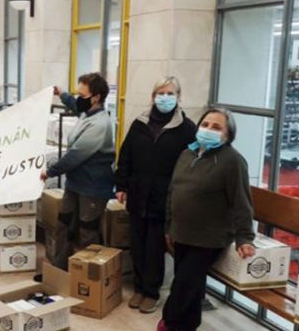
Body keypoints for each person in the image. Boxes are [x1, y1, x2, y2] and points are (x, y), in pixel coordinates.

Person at [158, 108, 256, 331]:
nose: (209, 130)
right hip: (182, 232)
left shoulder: (232, 161)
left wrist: (245, 237)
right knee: (189, 282)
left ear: (227, 135)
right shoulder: (187, 154)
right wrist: (169, 226)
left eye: (217, 127)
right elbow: (173, 191)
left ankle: (172, 322)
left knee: (184, 282)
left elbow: (241, 201)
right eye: (206, 124)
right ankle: (189, 328)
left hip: (210, 237)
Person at [115, 76, 196, 314]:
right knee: (137, 243)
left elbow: (190, 165)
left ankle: (151, 292)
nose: (165, 98)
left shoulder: (187, 129)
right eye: (161, 93)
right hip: (138, 194)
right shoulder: (139, 124)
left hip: (165, 198)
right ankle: (139, 288)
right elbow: (126, 154)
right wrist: (121, 185)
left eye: (170, 93)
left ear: (179, 98)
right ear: (153, 96)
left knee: (155, 247)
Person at [40, 73, 115, 270]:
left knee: (87, 232)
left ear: (96, 97)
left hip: (93, 187)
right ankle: (59, 270)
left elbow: (76, 155)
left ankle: (85, 277)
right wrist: (62, 94)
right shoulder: (87, 112)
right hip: (75, 183)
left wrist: (50, 171)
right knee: (63, 224)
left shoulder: (100, 123)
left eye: (83, 94)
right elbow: (76, 105)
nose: (79, 98)